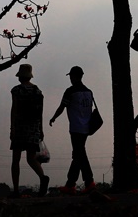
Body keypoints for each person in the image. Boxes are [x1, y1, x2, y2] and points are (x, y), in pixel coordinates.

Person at [48, 66, 96, 195]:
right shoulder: (89, 92)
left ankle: (89, 181)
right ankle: (70, 184)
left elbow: (62, 107)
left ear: (74, 76)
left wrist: (53, 118)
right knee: (78, 154)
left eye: (70, 76)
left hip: (76, 128)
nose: (70, 78)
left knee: (80, 154)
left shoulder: (70, 91)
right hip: (87, 128)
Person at [9, 63, 48, 197]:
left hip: (20, 128)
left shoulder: (16, 90)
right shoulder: (38, 92)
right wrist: (41, 129)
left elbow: (14, 109)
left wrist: (12, 128)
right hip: (34, 128)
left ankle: (15, 190)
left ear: (20, 76)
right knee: (31, 159)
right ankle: (43, 177)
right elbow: (40, 113)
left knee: (16, 159)